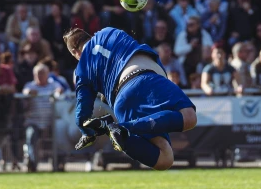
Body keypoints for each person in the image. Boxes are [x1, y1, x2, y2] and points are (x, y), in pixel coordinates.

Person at [65, 27, 198, 171]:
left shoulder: (81, 68)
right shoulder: (109, 31)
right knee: (189, 117)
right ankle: (121, 129)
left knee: (165, 159)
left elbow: (82, 115)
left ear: (74, 52)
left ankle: (117, 130)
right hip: (147, 78)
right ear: (89, 35)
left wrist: (87, 133)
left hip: (122, 100)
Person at [21, 63, 63, 172]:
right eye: (38, 74)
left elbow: (60, 89)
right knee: (31, 136)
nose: (40, 76)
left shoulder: (53, 84)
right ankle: (32, 163)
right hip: (34, 121)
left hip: (50, 121)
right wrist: (29, 93)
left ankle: (58, 163)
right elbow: (25, 92)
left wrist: (58, 92)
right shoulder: (30, 86)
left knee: (59, 135)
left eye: (43, 73)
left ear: (48, 74)